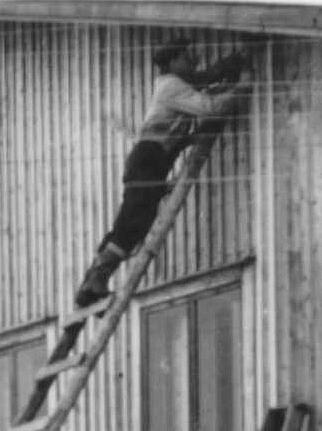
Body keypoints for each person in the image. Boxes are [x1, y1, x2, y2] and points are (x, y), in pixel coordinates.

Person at [74, 37, 250, 308]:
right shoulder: (171, 86)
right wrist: (241, 89)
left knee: (134, 224)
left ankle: (92, 283)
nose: (192, 59)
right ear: (172, 62)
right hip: (149, 159)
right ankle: (94, 282)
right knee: (131, 225)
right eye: (185, 56)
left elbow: (206, 77)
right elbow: (209, 107)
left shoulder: (176, 84)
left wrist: (236, 59)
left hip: (152, 160)